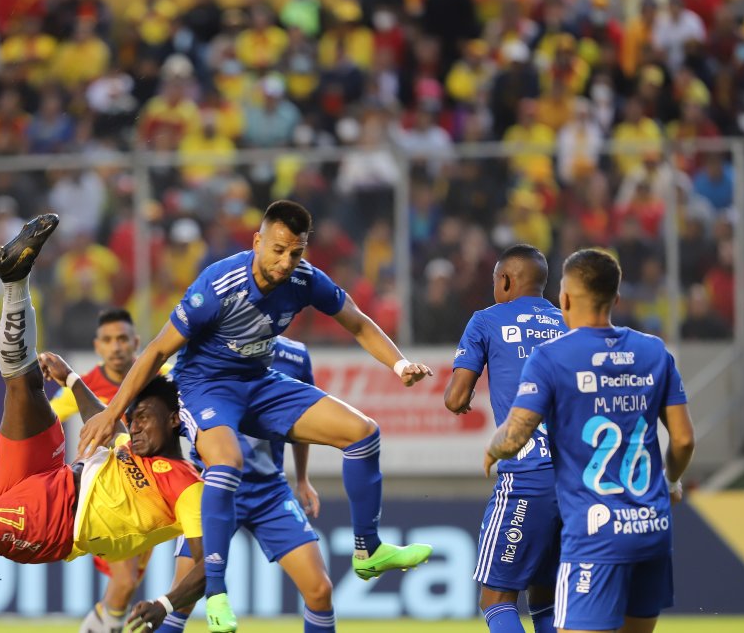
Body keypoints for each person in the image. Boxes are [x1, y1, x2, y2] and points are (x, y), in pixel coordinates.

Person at [80, 200, 435, 632]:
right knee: (228, 461)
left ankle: (368, 550)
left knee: (363, 433)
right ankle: (216, 591)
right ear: (257, 242)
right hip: (205, 385)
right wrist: (112, 412)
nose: (286, 262)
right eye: (279, 250)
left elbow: (358, 323)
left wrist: (400, 365)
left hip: (257, 384)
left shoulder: (304, 281)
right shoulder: (218, 284)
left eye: (297, 252)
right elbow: (156, 350)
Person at [0, 215, 211, 633]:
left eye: (144, 418)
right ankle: (14, 280)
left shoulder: (187, 487)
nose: (134, 425)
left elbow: (210, 562)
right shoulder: (133, 444)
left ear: (175, 420)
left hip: (50, 522)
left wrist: (166, 603)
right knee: (26, 382)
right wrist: (70, 378)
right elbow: (107, 425)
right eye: (133, 416)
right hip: (49, 476)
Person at [486, 249, 695, 633]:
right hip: (649, 527)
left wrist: (493, 449)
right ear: (616, 299)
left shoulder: (551, 357)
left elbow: (516, 435)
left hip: (594, 531)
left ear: (564, 299)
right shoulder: (654, 351)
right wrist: (670, 481)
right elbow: (682, 440)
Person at [155, 335, 335, 633]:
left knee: (320, 590)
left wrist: (302, 477)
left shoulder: (296, 355)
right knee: (182, 598)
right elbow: (173, 420)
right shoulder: (201, 352)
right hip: (215, 489)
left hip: (270, 492)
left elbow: (302, 418)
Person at [443, 244, 567, 633]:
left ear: (506, 280)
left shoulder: (486, 320)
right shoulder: (569, 321)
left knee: (495, 598)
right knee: (545, 596)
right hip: (575, 477)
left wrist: (461, 402)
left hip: (527, 472)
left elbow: (456, 397)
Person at [50, 308, 171, 633]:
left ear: (136, 342)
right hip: (105, 500)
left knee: (126, 586)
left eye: (122, 339)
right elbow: (46, 419)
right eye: (108, 340)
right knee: (125, 579)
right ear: (97, 346)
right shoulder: (84, 386)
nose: (116, 346)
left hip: (151, 499)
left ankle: (98, 626)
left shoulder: (163, 377)